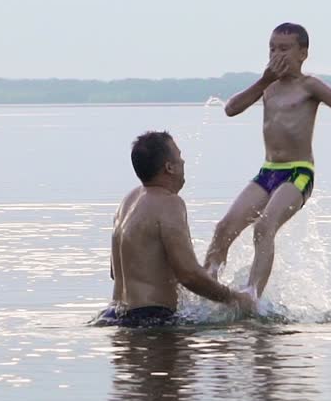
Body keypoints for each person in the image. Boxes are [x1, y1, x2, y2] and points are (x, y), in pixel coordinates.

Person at [203, 22, 331, 299]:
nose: (277, 55)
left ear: (302, 53)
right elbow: (230, 109)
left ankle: (251, 297)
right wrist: (263, 80)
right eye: (272, 48)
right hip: (267, 172)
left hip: (298, 173)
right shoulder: (267, 86)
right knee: (223, 228)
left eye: (284, 48)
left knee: (264, 227)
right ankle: (205, 290)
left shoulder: (311, 86)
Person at [96, 131, 255, 327]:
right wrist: (234, 298)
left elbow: (116, 272)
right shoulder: (170, 204)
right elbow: (188, 274)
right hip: (151, 319)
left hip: (114, 314)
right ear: (169, 167)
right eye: (179, 157)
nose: (183, 162)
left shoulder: (128, 201)